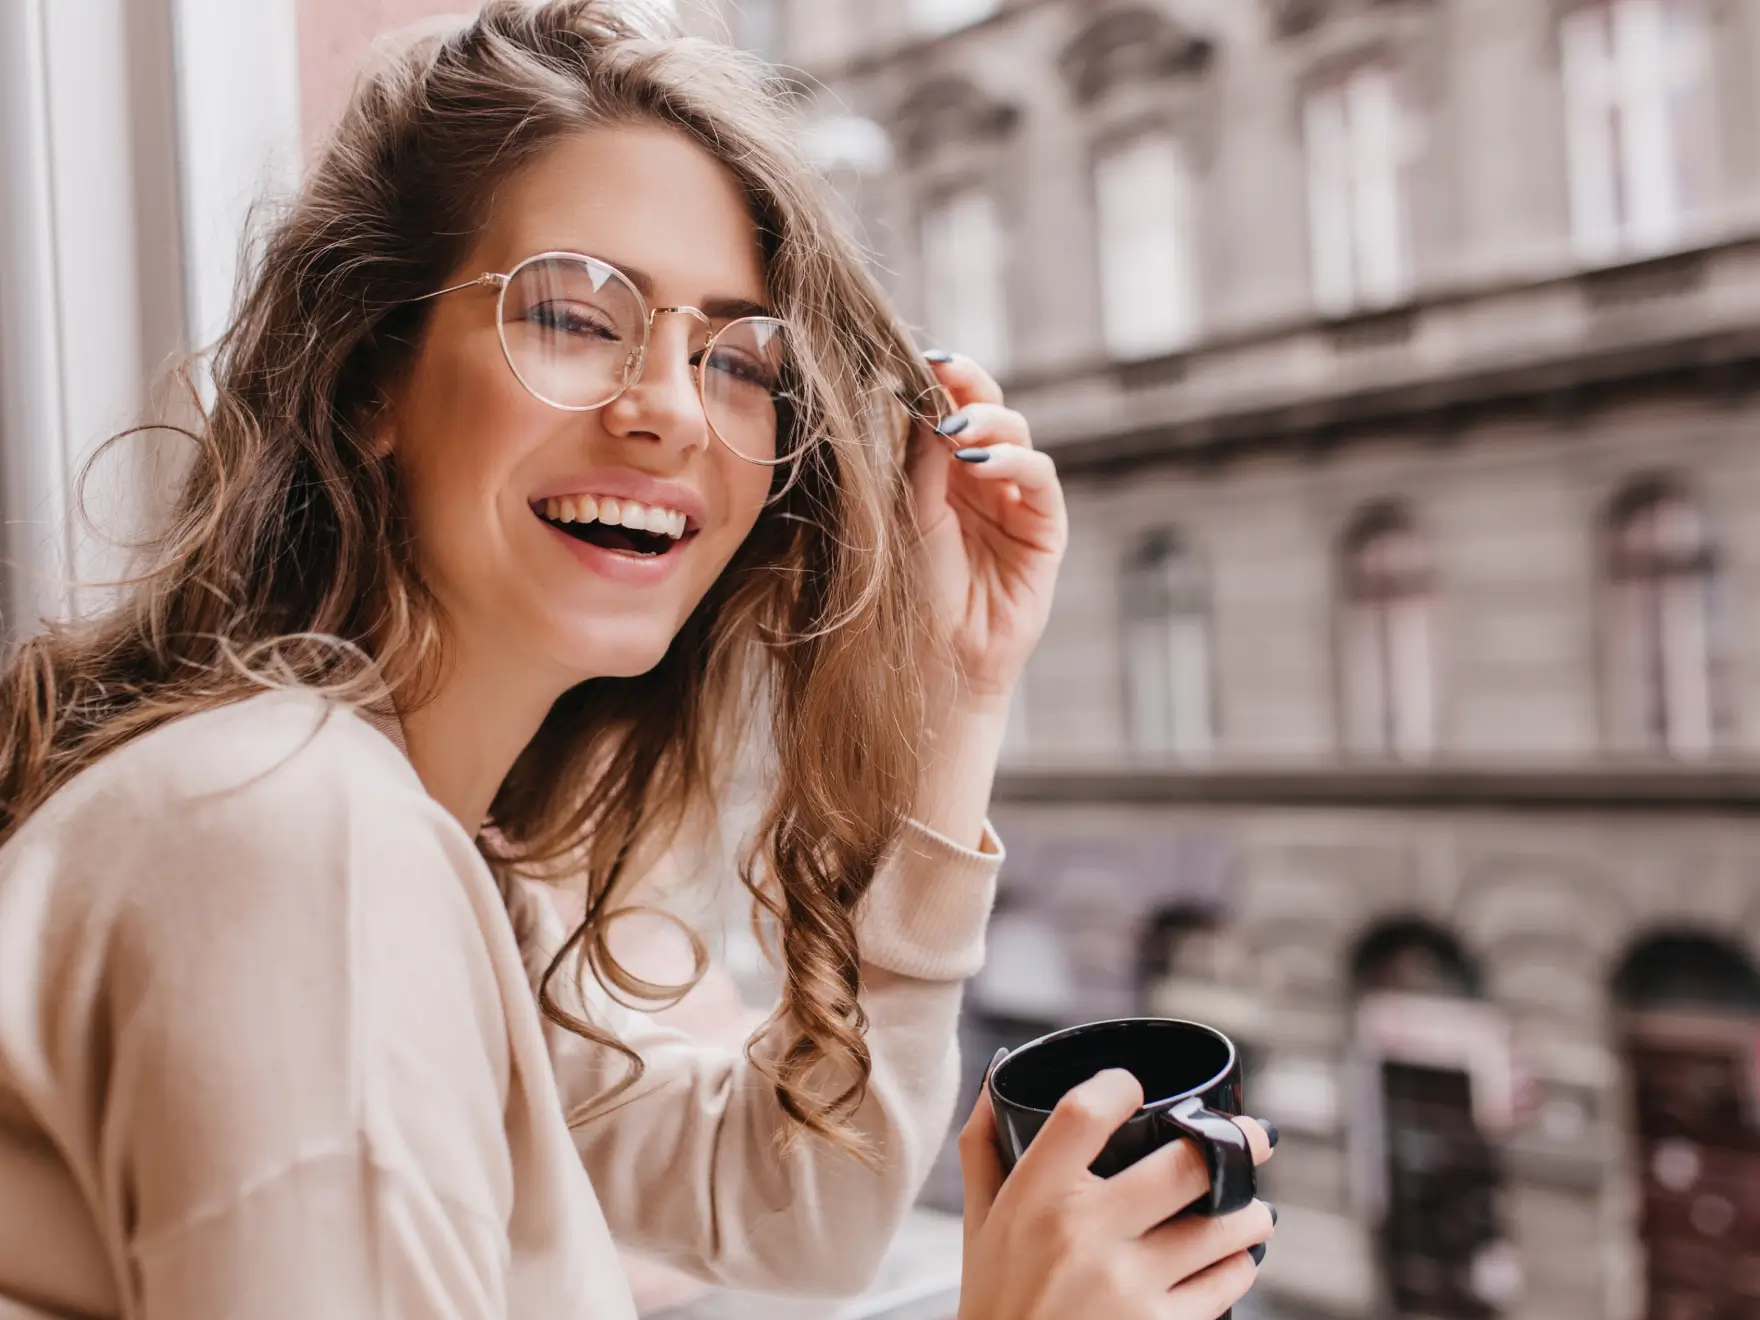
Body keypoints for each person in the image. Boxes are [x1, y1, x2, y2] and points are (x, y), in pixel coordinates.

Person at [0, 3, 1275, 1317]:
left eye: (733, 356)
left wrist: (952, 692)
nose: (666, 407)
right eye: (570, 315)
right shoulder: (300, 845)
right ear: (371, 374)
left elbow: (795, 1216)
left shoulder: (415, 854)